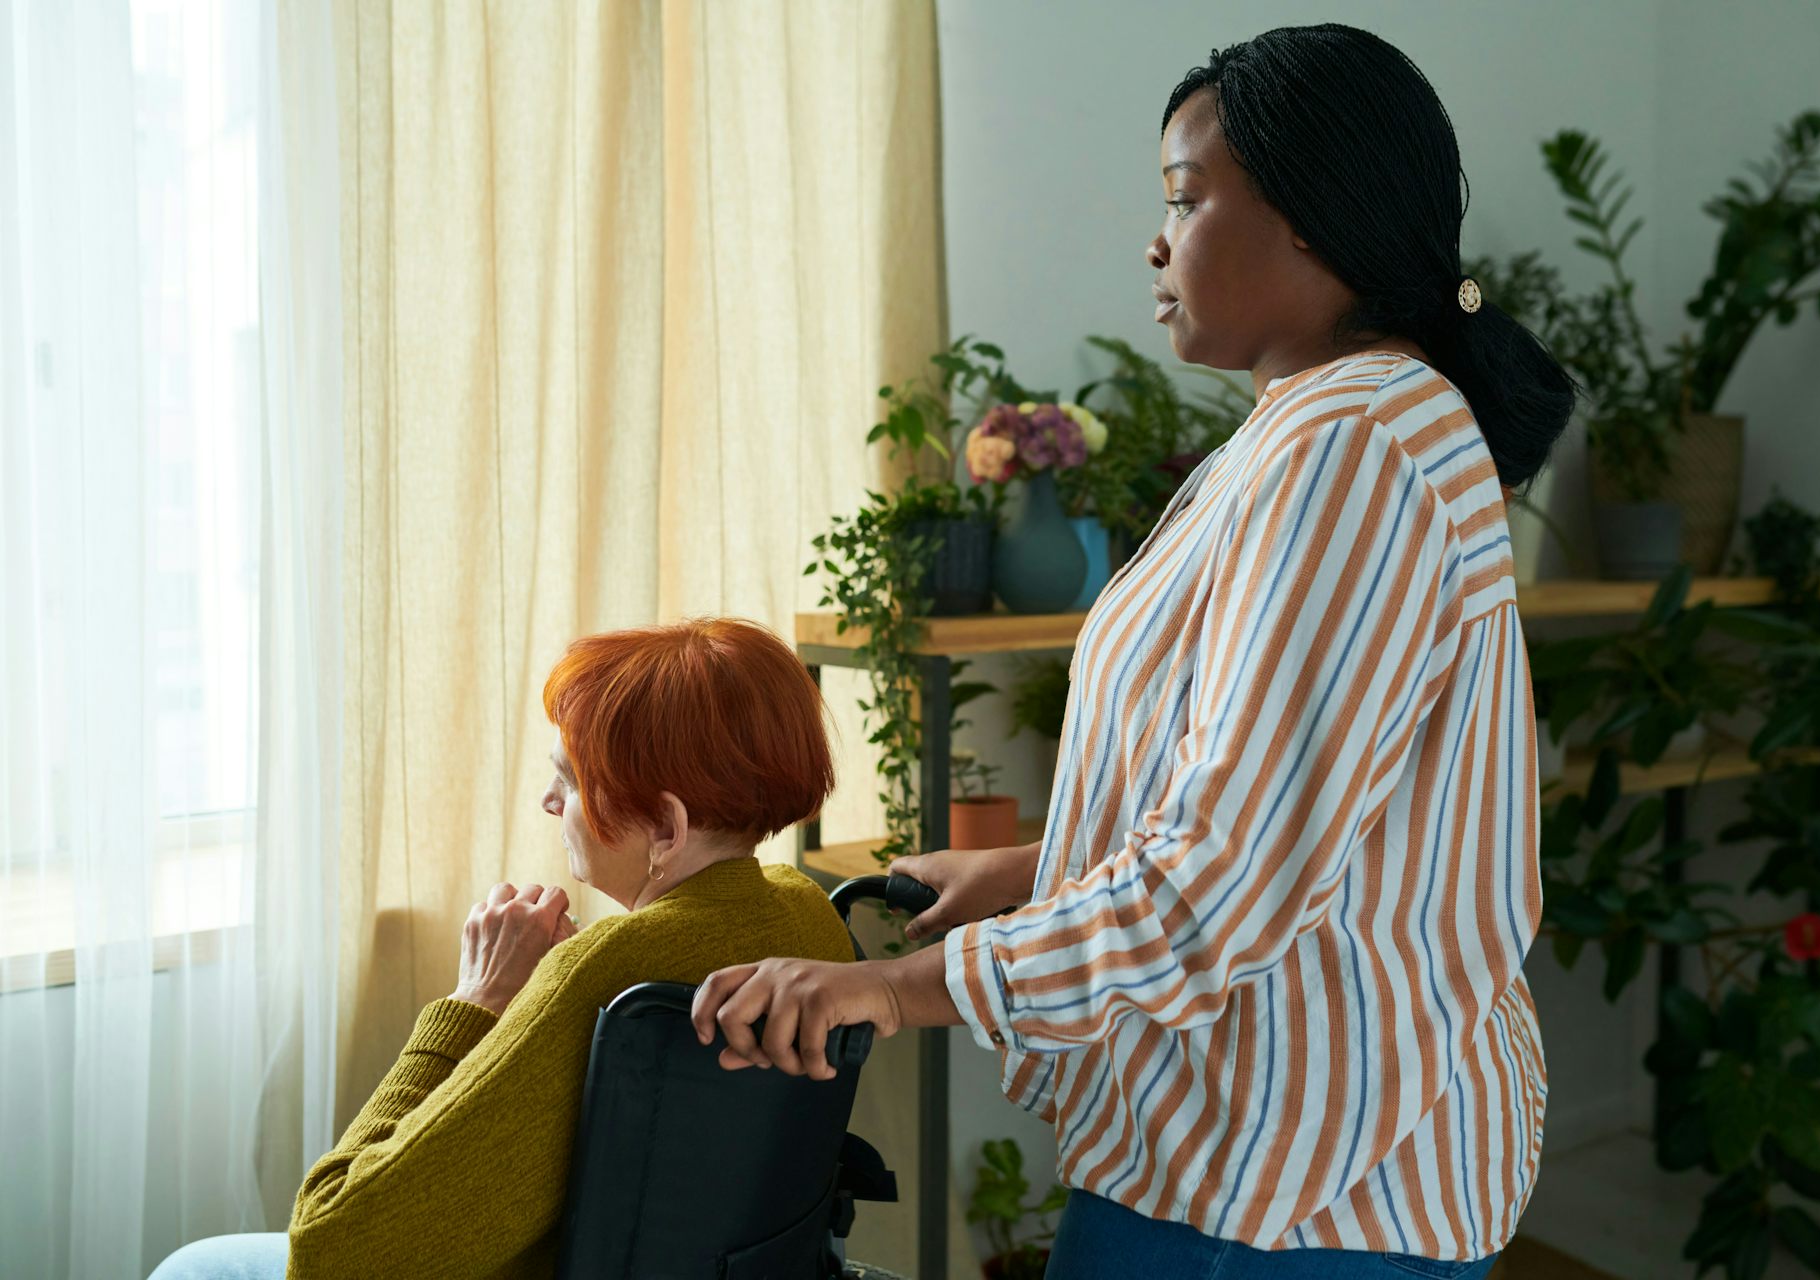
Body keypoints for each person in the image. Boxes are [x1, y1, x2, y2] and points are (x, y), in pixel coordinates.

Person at [690, 24, 1571, 1280]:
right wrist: (1031, 867)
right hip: (1263, 1159)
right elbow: (1302, 816)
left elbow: (1226, 877)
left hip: (1288, 1190)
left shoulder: (1354, 449)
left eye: (1185, 198)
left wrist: (890, 989)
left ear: (1315, 218)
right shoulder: (1320, 431)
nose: (1156, 243)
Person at [150, 618, 853, 1280]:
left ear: (666, 829)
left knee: (193, 1266)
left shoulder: (603, 971)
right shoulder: (813, 921)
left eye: (571, 781)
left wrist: (477, 999)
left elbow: (333, 1248)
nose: (550, 801)